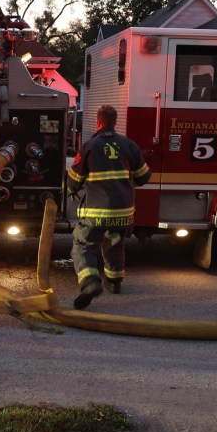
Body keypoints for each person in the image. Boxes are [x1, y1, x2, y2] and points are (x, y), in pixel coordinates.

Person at [66, 105, 152, 310]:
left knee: (82, 243)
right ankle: (114, 283)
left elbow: (74, 181)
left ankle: (90, 283)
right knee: (115, 242)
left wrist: (71, 190)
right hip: (124, 211)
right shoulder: (129, 145)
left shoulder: (89, 146)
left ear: (98, 122)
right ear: (115, 122)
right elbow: (144, 177)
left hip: (97, 211)